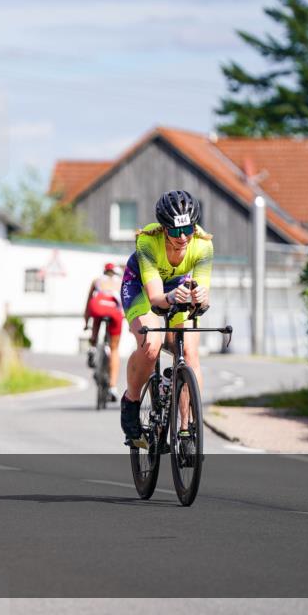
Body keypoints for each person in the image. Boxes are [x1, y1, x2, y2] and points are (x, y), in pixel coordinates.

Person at [119, 190, 213, 449]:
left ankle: (186, 430)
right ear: (163, 229)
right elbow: (156, 298)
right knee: (151, 343)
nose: (182, 237)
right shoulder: (148, 242)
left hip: (177, 288)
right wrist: (171, 297)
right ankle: (131, 402)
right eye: (174, 232)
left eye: (188, 229)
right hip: (142, 287)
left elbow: (202, 299)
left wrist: (200, 297)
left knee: (191, 355)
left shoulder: (203, 244)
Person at [83, 262, 124, 402]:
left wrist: (85, 322)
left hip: (97, 307)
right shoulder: (121, 281)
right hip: (114, 311)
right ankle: (112, 387)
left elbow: (89, 302)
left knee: (96, 316)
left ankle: (93, 347)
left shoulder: (97, 280)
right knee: (114, 349)